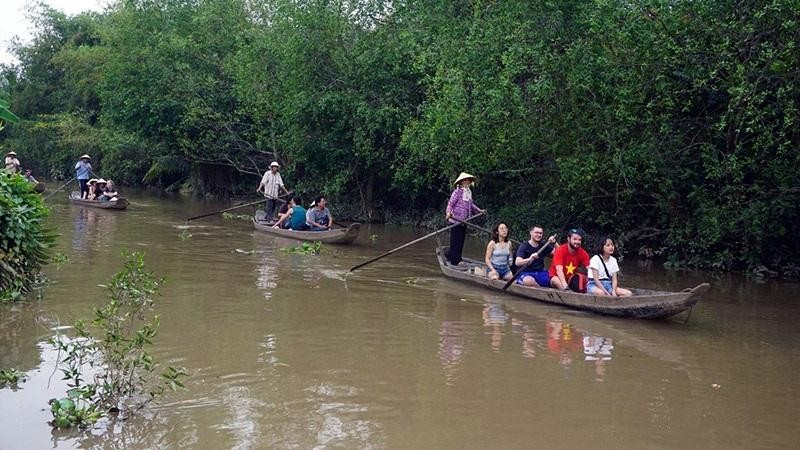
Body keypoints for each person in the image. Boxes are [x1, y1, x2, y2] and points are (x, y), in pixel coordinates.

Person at [445, 172, 485, 266]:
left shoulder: (468, 192)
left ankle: (453, 256)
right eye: (465, 181)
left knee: (461, 240)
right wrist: (448, 213)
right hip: (455, 220)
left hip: (464, 221)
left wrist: (480, 211)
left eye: (468, 181)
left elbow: (471, 205)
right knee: (456, 240)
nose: (467, 182)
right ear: (461, 182)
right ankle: (455, 260)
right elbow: (450, 204)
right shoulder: (457, 192)